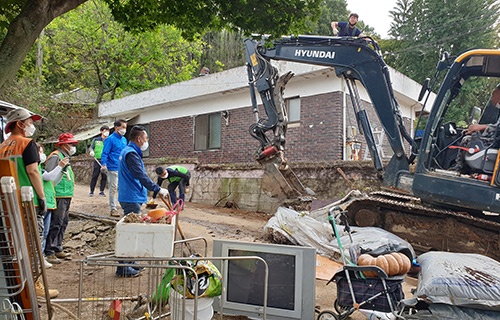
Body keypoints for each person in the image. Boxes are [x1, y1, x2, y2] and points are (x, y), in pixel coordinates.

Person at [0, 107, 59, 298]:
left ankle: (19, 286)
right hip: (26, 202)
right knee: (33, 244)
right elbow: (33, 171)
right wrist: (42, 197)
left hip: (8, 203)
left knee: (14, 245)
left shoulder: (3, 146)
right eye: (30, 122)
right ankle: (35, 286)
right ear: (20, 124)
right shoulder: (27, 144)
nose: (31, 125)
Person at [117, 125, 168, 277]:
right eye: (146, 138)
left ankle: (130, 263)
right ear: (139, 139)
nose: (147, 142)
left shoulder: (128, 152)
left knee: (133, 230)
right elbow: (141, 175)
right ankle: (123, 267)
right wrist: (157, 189)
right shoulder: (131, 154)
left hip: (130, 195)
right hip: (131, 196)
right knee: (131, 232)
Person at [44, 133, 78, 265]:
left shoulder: (64, 157)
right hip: (58, 194)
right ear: (64, 145)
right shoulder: (55, 157)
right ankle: (49, 251)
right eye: (71, 144)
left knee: (63, 222)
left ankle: (57, 247)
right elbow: (49, 175)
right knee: (56, 222)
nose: (73, 147)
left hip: (66, 194)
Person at [452, 84, 500, 173]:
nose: (491, 98)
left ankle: (459, 168)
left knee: (467, 140)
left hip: (496, 143)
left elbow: (497, 128)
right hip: (495, 139)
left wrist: (480, 127)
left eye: (493, 95)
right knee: (473, 137)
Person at [37, 143, 69, 268]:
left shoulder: (40, 169)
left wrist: (61, 171)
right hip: (43, 203)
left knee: (45, 231)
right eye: (40, 151)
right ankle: (42, 256)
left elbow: (52, 180)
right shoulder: (37, 169)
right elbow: (49, 176)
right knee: (42, 232)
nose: (42, 154)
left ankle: (43, 256)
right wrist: (59, 167)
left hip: (49, 202)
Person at [101, 119, 127, 217]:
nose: (124, 130)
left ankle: (124, 207)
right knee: (113, 188)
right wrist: (104, 164)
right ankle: (113, 208)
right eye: (123, 127)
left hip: (122, 167)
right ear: (116, 127)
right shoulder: (110, 139)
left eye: (125, 127)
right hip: (112, 167)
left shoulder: (124, 140)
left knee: (123, 188)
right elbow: (105, 152)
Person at [89, 125, 109, 197]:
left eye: (107, 131)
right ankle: (91, 191)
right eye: (105, 130)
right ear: (101, 131)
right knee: (95, 175)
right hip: (97, 160)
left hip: (106, 161)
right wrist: (91, 151)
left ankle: (102, 191)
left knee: (104, 176)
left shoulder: (109, 140)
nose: (106, 132)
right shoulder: (96, 140)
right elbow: (91, 147)